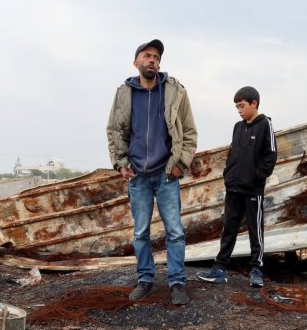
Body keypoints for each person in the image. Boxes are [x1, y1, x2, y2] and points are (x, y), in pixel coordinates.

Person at [106, 39, 198, 305]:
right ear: (136, 62)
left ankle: (177, 282)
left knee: (175, 231)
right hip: (138, 176)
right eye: (147, 56)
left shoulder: (175, 91)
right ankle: (145, 279)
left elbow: (189, 132)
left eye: (156, 57)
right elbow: (114, 131)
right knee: (141, 233)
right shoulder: (124, 93)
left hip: (167, 174)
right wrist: (120, 163)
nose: (152, 60)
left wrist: (181, 164)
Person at [197, 86, 277, 287]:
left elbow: (270, 156)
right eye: (237, 107)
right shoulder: (238, 127)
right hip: (233, 188)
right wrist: (229, 174)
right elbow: (232, 154)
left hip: (252, 190)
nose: (239, 110)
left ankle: (256, 270)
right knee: (228, 229)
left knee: (255, 229)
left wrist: (256, 178)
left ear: (254, 103)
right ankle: (220, 269)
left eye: (242, 106)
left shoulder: (265, 124)